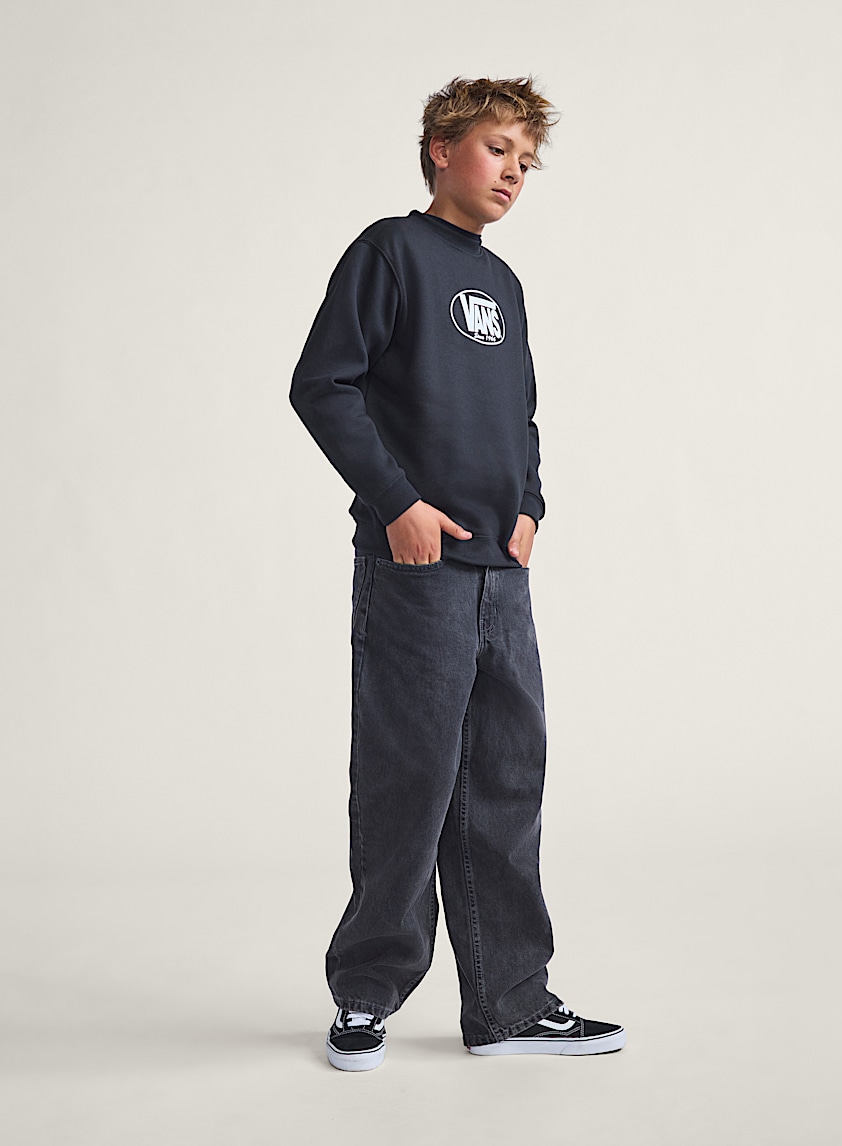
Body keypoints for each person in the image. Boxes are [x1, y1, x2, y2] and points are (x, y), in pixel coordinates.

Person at [289, 76, 626, 1072]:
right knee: (410, 781)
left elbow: (520, 415)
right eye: (496, 149)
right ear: (441, 148)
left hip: (500, 576)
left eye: (526, 160)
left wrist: (530, 507)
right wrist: (398, 504)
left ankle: (509, 1004)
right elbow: (323, 385)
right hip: (417, 569)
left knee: (505, 783)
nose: (513, 172)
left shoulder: (504, 284)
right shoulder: (389, 252)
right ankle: (365, 995)